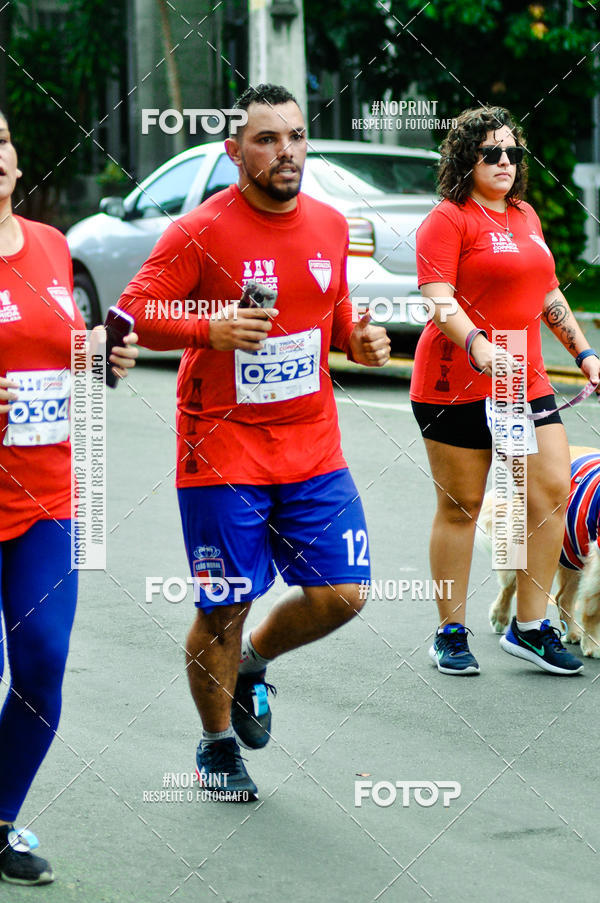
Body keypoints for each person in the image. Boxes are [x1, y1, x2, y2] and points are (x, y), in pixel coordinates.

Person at [118, 83, 390, 801]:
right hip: (223, 448)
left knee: (343, 593)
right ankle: (214, 746)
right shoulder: (201, 230)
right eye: (267, 140)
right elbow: (132, 313)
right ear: (235, 151)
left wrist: (358, 341)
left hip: (311, 447)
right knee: (224, 606)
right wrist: (207, 329)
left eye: (296, 137)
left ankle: (257, 663)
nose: (286, 152)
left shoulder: (331, 225)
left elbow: (333, 317)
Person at [410, 105, 599, 676]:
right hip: (454, 378)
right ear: (466, 159)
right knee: (462, 506)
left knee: (548, 494)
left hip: (524, 377)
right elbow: (438, 300)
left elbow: (548, 295)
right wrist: (476, 345)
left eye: (512, 153)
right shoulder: (448, 219)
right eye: (490, 152)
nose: (503, 162)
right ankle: (450, 630)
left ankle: (531, 624)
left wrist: (585, 352)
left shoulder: (526, 217)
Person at [0, 112, 138, 884]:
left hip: (49, 494)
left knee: (44, 664)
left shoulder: (53, 246)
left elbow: (68, 348)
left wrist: (102, 354)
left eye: (3, 140)